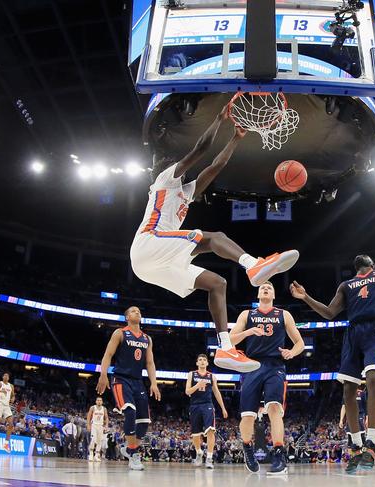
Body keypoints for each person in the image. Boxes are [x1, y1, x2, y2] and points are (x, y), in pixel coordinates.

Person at [131, 105, 300, 373]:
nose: (181, 167)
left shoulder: (185, 192)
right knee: (213, 238)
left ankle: (224, 347)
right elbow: (201, 149)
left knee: (217, 283)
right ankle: (252, 264)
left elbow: (216, 165)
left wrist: (236, 138)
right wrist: (219, 119)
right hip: (149, 244)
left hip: (154, 264)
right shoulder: (163, 180)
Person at [290, 255, 375, 474]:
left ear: (373, 264)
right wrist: (306, 297)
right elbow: (330, 313)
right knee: (348, 390)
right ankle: (357, 447)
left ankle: (372, 442)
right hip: (353, 333)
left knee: (372, 378)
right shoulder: (345, 285)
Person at [230, 281, 305, 475]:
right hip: (251, 365)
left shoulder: (283, 314)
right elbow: (230, 339)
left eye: (270, 287)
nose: (266, 288)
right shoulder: (246, 314)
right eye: (262, 287)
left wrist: (291, 352)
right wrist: (248, 331)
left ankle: (278, 455)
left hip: (275, 365)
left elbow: (300, 343)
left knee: (274, 408)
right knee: (248, 416)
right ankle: (247, 448)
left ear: (273, 295)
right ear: (258, 294)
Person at [96, 306, 162, 470]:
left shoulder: (147, 338)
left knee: (145, 421)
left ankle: (130, 449)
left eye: (139, 311)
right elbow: (108, 355)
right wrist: (103, 375)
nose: (137, 312)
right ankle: (134, 455)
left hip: (138, 381)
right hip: (121, 379)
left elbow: (150, 363)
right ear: (126, 317)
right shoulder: (120, 333)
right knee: (130, 412)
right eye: (133, 311)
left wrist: (154, 383)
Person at [185, 353, 228, 469]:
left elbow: (217, 392)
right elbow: (187, 391)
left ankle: (209, 457)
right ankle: (199, 453)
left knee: (210, 430)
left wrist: (223, 408)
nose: (202, 361)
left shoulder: (211, 376)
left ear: (207, 363)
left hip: (207, 405)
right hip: (194, 405)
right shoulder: (191, 374)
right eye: (200, 360)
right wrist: (198, 385)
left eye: (204, 360)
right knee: (196, 434)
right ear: (197, 363)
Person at [87, 397, 109, 462]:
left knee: (99, 441)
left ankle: (96, 455)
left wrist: (106, 425)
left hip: (101, 426)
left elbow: (106, 418)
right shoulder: (93, 408)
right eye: (98, 400)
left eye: (100, 400)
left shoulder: (104, 409)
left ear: (102, 402)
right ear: (96, 401)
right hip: (94, 425)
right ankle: (91, 454)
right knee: (93, 440)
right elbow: (88, 417)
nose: (99, 401)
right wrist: (88, 425)